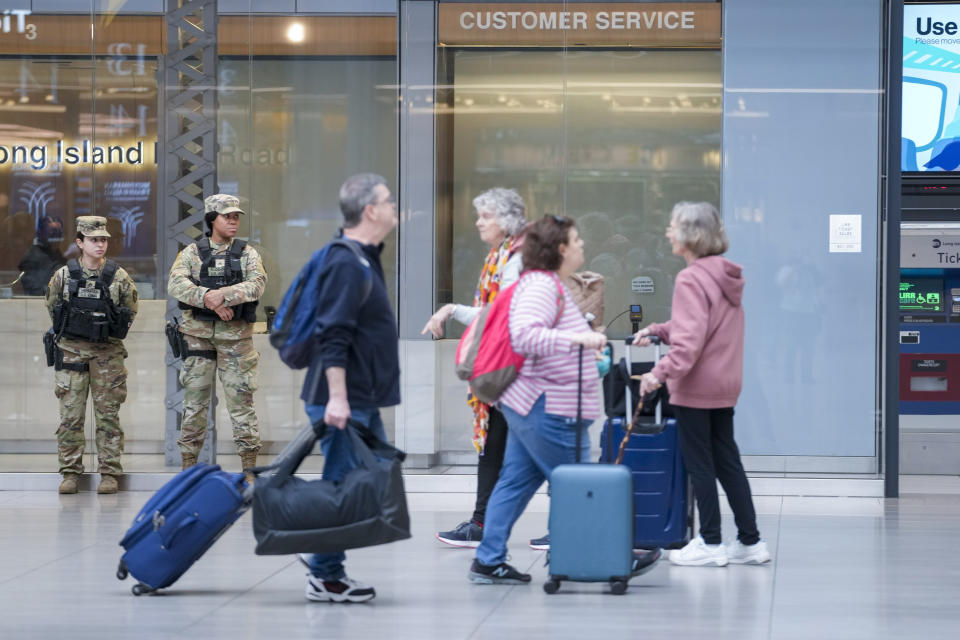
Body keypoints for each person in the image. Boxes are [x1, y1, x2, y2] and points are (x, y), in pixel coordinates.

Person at [468, 215, 660, 584]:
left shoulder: (546, 284)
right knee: (580, 483)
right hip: (547, 408)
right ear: (560, 249)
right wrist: (578, 340)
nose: (583, 245)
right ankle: (613, 555)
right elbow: (525, 336)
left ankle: (488, 559)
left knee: (514, 482)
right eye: (577, 240)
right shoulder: (541, 287)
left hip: (534, 405)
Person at [634, 201, 771, 567]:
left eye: (673, 225)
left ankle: (711, 542)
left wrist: (657, 373)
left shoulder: (691, 277)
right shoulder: (723, 275)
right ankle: (750, 541)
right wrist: (658, 330)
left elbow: (690, 343)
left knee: (700, 464)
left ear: (689, 234)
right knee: (727, 461)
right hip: (724, 383)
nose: (667, 232)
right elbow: (700, 326)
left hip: (696, 386)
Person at [297, 173, 400, 603]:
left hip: (359, 395)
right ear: (370, 210)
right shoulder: (346, 261)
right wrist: (337, 397)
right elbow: (333, 333)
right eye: (389, 201)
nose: (396, 208)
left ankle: (322, 553)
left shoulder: (364, 257)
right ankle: (325, 570)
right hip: (343, 397)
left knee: (367, 476)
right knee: (344, 482)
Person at [421, 188, 529, 549]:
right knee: (495, 447)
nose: (479, 222)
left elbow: (503, 316)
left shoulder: (515, 259)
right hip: (505, 368)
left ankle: (564, 525)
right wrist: (452, 310)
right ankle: (482, 521)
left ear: (507, 221)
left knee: (532, 450)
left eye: (486, 216)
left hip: (514, 370)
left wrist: (451, 310)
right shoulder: (501, 255)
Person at [167, 194, 267, 472]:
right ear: (213, 219)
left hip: (236, 340)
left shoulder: (247, 253)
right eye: (227, 217)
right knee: (194, 404)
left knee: (241, 403)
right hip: (198, 339)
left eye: (236, 217)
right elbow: (175, 285)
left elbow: (257, 284)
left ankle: (248, 469)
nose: (233, 221)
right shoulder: (192, 252)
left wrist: (222, 297)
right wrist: (206, 296)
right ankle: (188, 467)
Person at [46, 216, 139, 494]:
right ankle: (70, 473)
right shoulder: (63, 275)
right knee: (70, 417)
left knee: (108, 417)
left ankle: (110, 474)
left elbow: (130, 310)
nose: (100, 244)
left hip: (107, 355)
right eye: (93, 240)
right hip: (71, 353)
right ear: (79, 243)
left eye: (103, 239)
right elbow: (53, 307)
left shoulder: (119, 276)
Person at [19, 216, 65, 295]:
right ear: (40, 233)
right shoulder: (33, 257)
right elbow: (34, 289)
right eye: (52, 232)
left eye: (59, 232)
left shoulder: (55, 252)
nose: (56, 235)